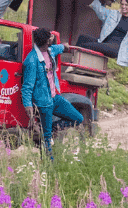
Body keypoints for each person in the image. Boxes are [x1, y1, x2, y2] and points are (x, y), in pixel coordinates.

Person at [20, 28, 84, 156]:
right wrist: (30, 113)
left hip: (55, 98)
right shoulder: (32, 61)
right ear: (46, 41)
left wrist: (65, 47)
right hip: (43, 103)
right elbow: (26, 88)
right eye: (50, 38)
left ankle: (53, 127)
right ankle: (49, 165)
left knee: (78, 118)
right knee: (47, 139)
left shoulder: (49, 51)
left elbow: (60, 48)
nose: (52, 39)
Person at [76, 0, 128, 67]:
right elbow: (101, 11)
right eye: (122, 4)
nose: (123, 7)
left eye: (126, 5)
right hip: (105, 43)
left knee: (86, 46)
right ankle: (73, 59)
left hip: (117, 49)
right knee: (82, 38)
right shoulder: (114, 14)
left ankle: (77, 66)